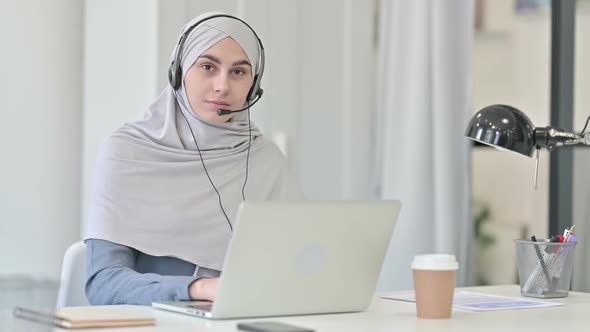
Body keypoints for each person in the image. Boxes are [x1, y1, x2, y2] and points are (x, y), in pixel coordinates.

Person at [84, 12, 301, 306]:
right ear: (178, 71)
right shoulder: (128, 152)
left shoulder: (266, 160)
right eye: (208, 67)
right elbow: (104, 284)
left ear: (254, 85)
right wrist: (197, 288)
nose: (222, 86)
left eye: (239, 72)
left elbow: (295, 267)